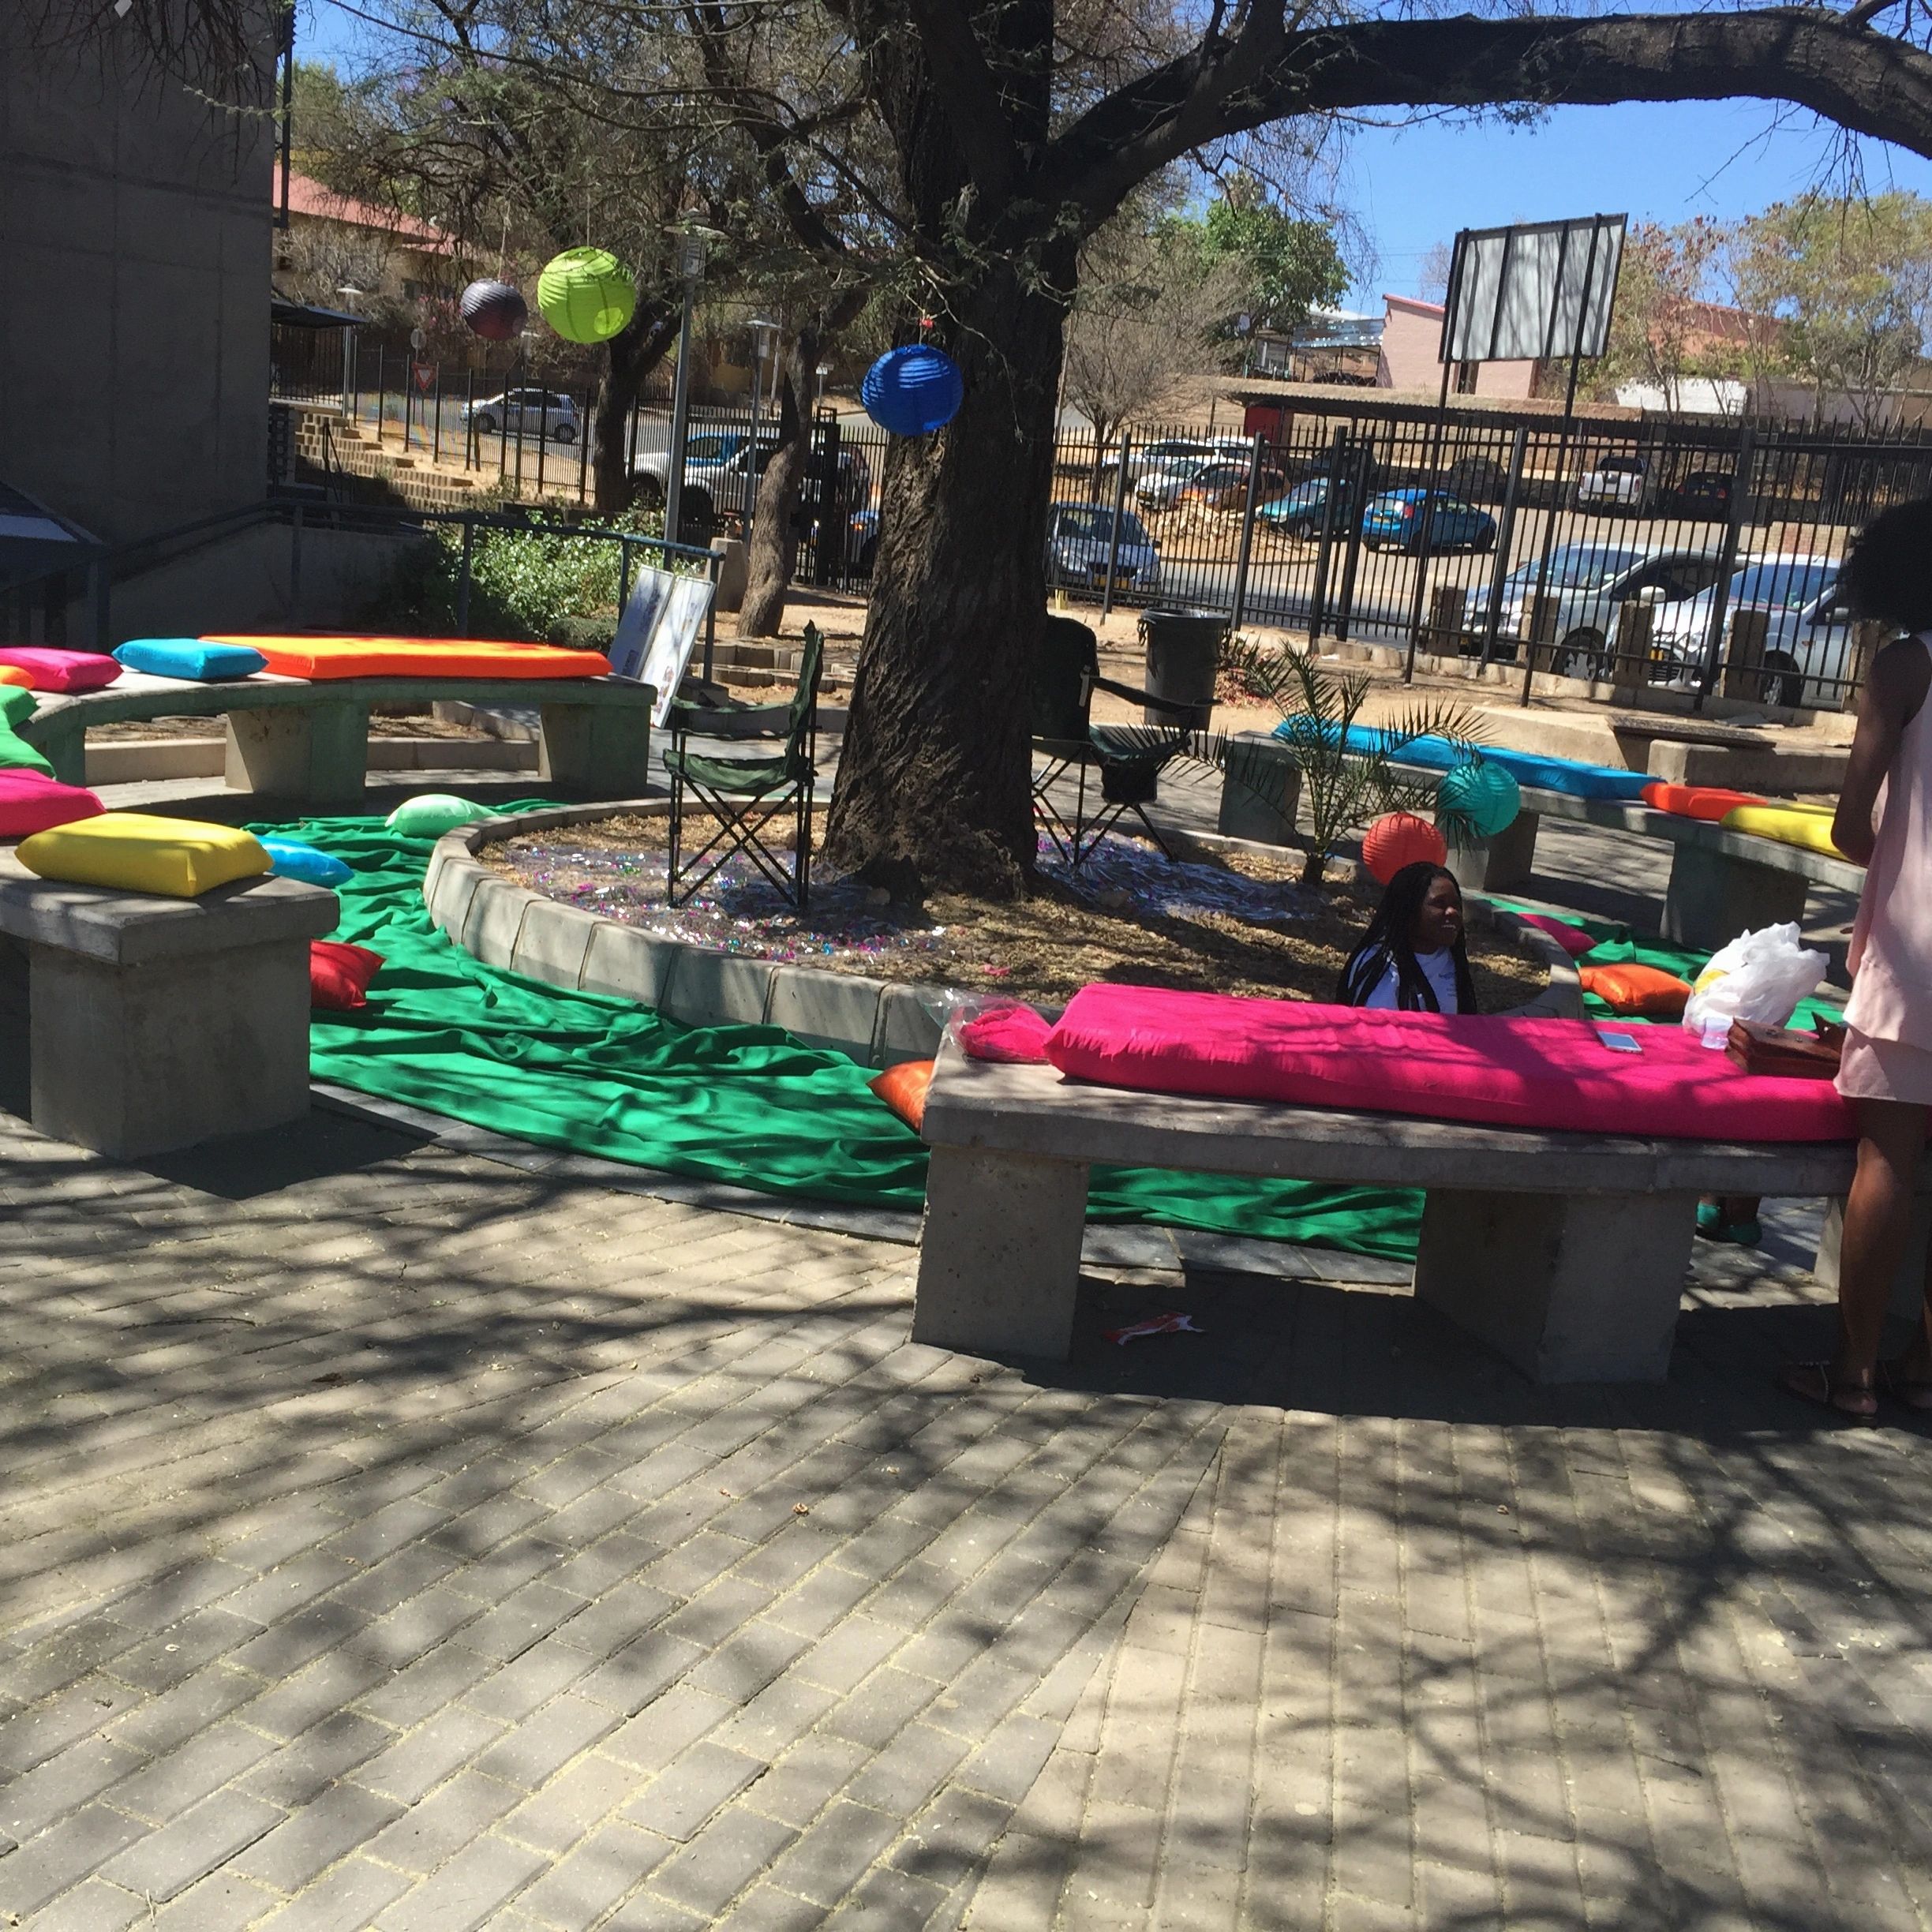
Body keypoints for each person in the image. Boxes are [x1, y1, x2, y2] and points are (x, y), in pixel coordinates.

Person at [1780, 497, 1932, 1420]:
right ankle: (1923, 1369)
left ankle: (1853, 1373)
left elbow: (1847, 825)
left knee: (1889, 1162)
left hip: (1920, 959)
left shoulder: (1905, 666)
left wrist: (1897, 862)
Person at [1337, 861, 1478, 1013]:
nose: (1452, 912)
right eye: (1439, 903)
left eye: (1456, 905)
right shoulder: (1375, 964)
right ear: (1409, 910)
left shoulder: (1453, 963)